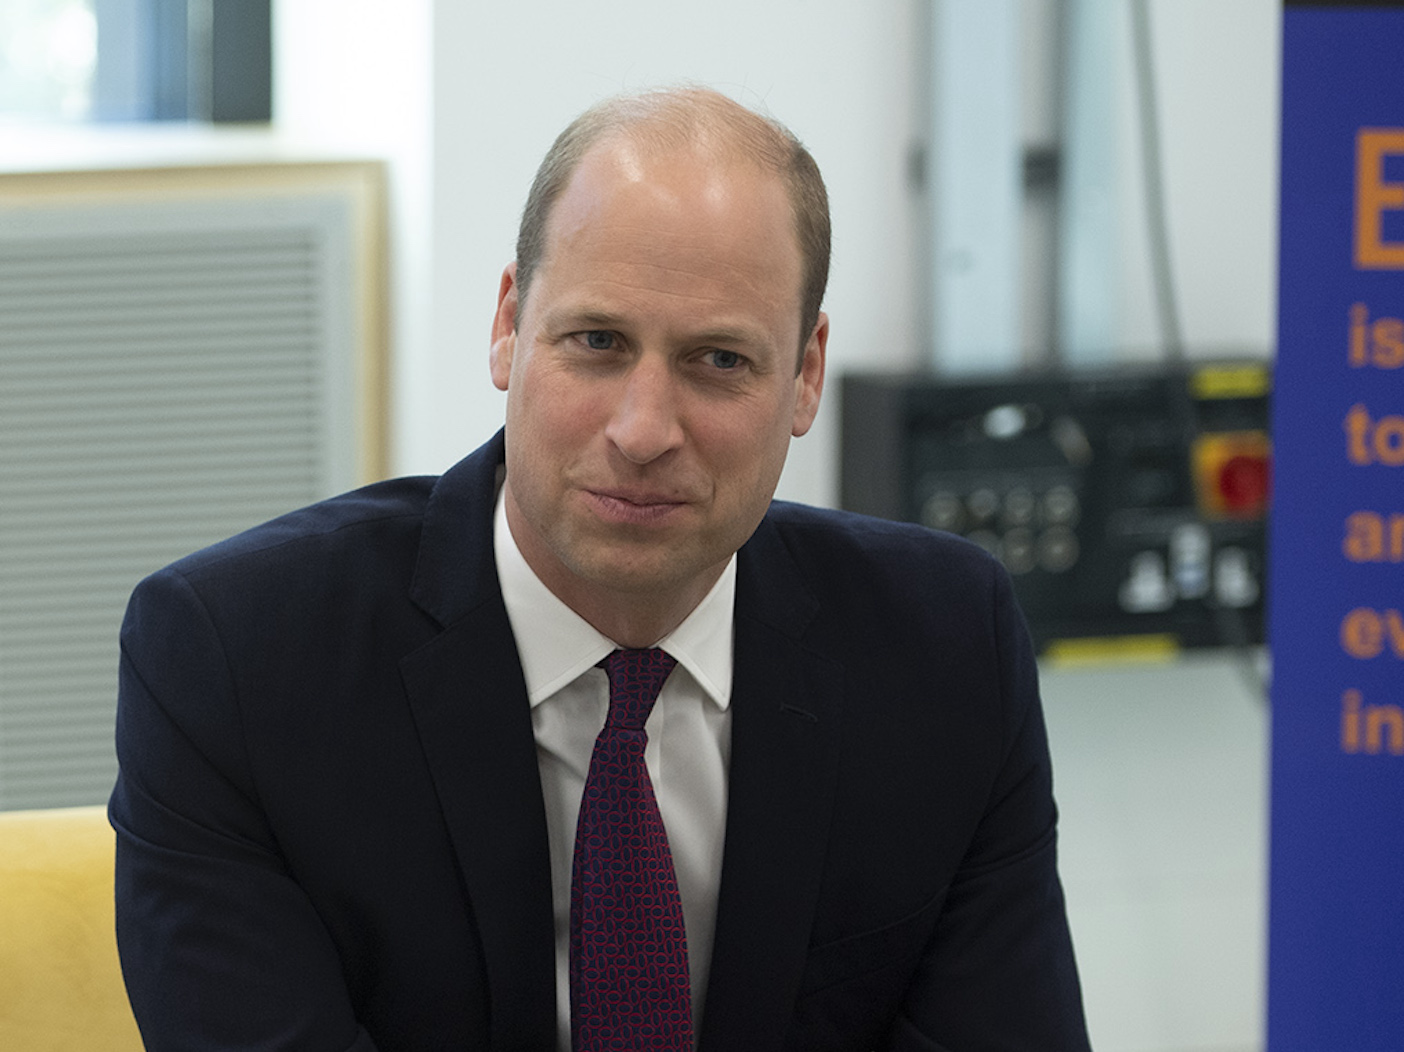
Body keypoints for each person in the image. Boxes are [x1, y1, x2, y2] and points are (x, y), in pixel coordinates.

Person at [110, 86, 1090, 1052]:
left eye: (718, 360)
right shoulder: (235, 664)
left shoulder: (947, 646)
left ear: (805, 373)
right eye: (597, 342)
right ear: (508, 323)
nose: (643, 429)